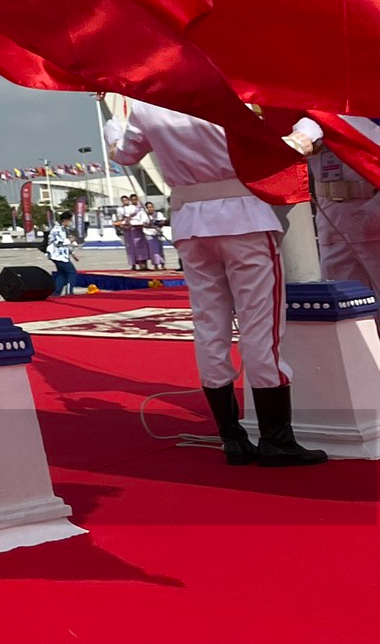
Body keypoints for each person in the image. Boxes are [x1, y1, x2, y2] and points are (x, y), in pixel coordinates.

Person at [108, 101, 326, 466]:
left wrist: (114, 126)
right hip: (244, 219)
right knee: (262, 331)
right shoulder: (228, 97)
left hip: (191, 224)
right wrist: (316, 123)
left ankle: (232, 438)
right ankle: (277, 440)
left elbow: (125, 155)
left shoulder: (146, 108)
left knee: (210, 328)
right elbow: (288, 148)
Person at [291, 116, 380, 289]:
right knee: (344, 299)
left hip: (373, 217)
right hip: (333, 222)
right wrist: (302, 135)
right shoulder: (318, 114)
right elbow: (303, 134)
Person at [45, 213, 79, 295]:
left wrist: (72, 253)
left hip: (62, 255)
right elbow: (58, 242)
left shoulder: (64, 229)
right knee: (72, 272)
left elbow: (66, 245)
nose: (71, 222)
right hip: (58, 256)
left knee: (62, 273)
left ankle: (56, 292)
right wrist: (70, 240)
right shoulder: (57, 229)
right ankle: (69, 291)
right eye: (70, 220)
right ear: (66, 220)